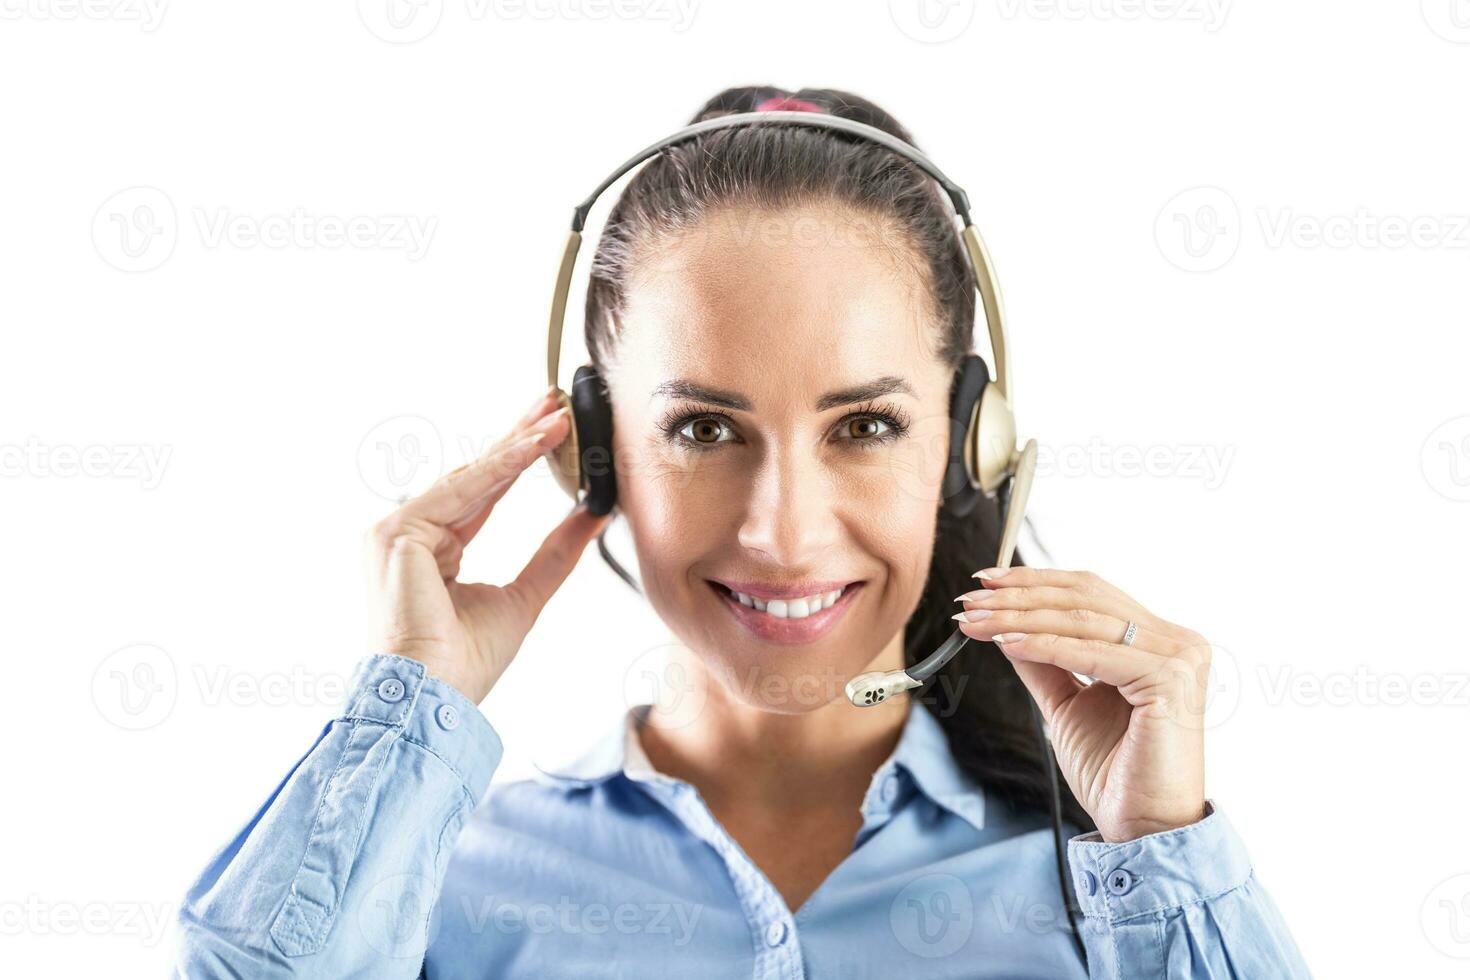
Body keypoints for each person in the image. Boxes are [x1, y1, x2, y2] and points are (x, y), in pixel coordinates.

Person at [171, 86, 1312, 978]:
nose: (782, 528)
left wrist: (1162, 849)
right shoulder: (438, 887)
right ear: (594, 446)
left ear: (971, 443)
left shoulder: (1115, 891)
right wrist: (404, 713)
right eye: (706, 428)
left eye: (865, 422)